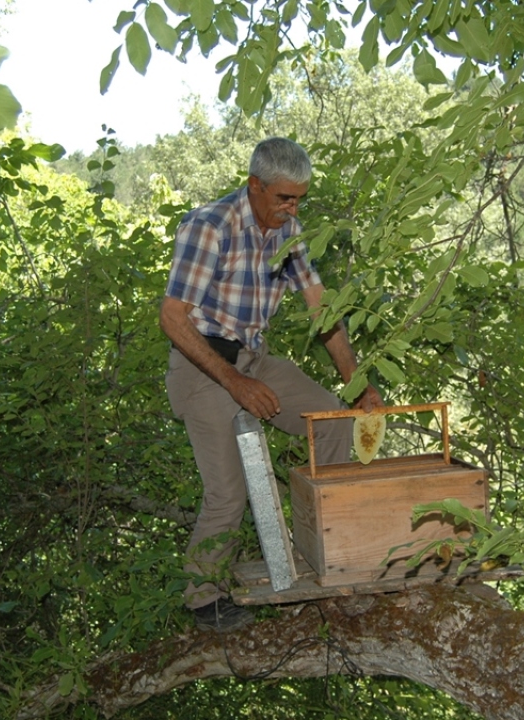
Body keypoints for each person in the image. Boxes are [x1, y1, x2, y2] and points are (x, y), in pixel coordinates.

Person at [160, 137, 382, 632]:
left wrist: (359, 384)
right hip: (203, 368)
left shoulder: (290, 233)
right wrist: (235, 382)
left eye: (300, 198)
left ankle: (328, 550)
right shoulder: (210, 225)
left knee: (331, 422)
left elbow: (322, 311)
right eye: (284, 197)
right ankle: (204, 599)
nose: (292, 207)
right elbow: (173, 319)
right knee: (228, 493)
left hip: (252, 361)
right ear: (255, 186)